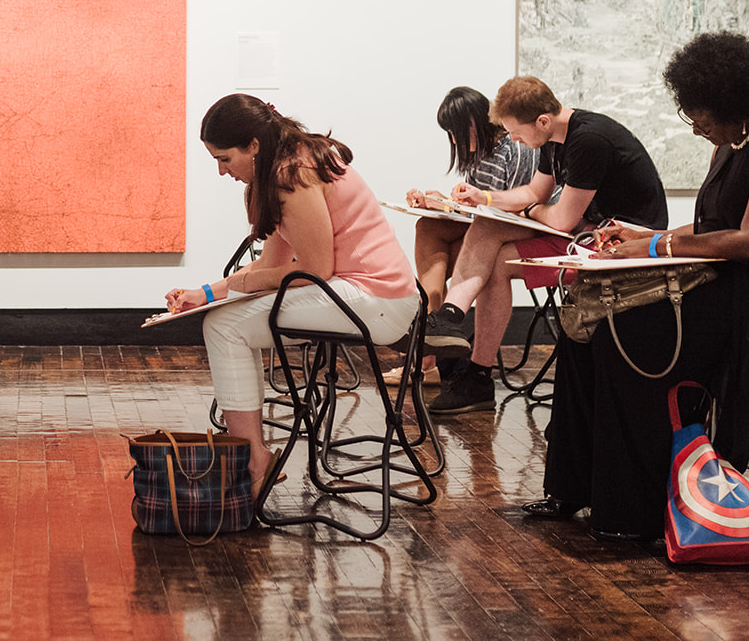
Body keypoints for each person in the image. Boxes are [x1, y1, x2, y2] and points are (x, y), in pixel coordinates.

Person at [525, 31, 749, 539]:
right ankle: (574, 487)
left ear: (732, 103)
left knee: (629, 329)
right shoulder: (731, 142)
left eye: (700, 113)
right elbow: (714, 225)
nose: (694, 125)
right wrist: (646, 235)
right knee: (586, 328)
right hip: (733, 284)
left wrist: (654, 250)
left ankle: (635, 511)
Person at [165, 95, 419, 490]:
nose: (220, 171)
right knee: (222, 320)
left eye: (225, 158)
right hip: (361, 292)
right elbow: (272, 264)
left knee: (224, 327)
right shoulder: (281, 167)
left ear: (253, 146)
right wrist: (207, 292)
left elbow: (315, 270)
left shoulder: (292, 175)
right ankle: (252, 456)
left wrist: (236, 287)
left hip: (377, 299)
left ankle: (251, 460)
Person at [421, 76, 666, 415]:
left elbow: (561, 219)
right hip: (589, 230)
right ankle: (450, 320)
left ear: (542, 121)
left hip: (621, 244)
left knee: (497, 255)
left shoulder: (588, 140)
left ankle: (476, 372)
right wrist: (487, 198)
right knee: (488, 225)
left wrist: (531, 209)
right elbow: (534, 194)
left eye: (516, 132)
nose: (514, 140)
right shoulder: (552, 139)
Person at [395, 86, 540, 386]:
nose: (452, 139)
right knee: (427, 225)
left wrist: (464, 204)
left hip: (516, 230)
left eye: (455, 131)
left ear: (474, 124)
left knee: (462, 238)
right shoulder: (481, 154)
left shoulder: (514, 149)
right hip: (486, 227)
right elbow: (476, 209)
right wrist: (438, 202)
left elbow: (505, 212)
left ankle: (428, 354)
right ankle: (434, 320)